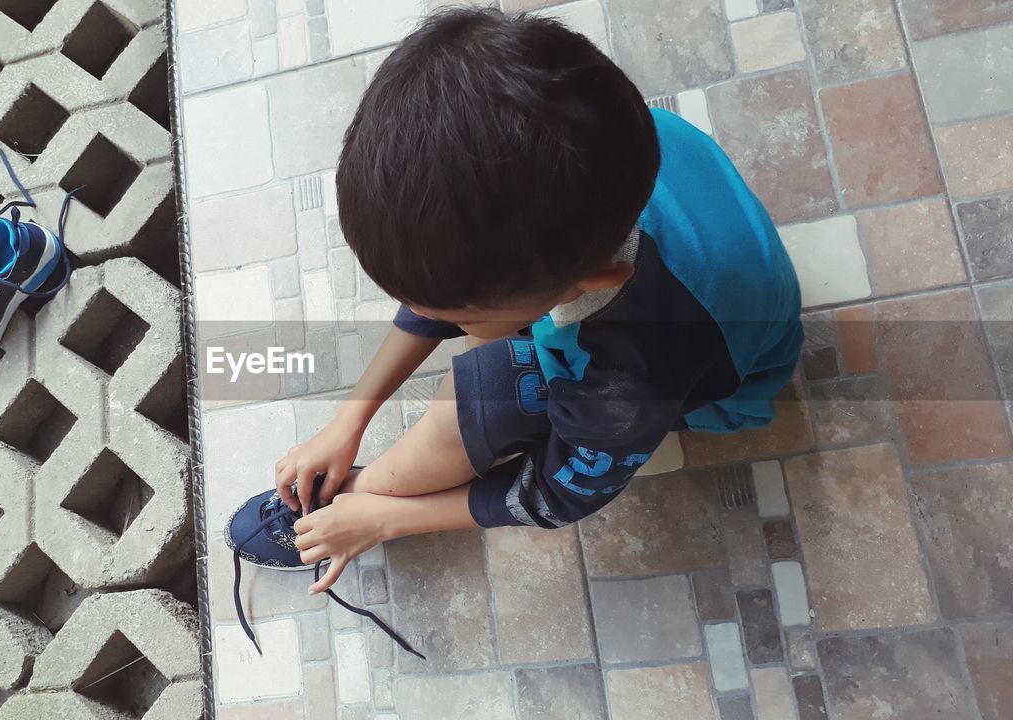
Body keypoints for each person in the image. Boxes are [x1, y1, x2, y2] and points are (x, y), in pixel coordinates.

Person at [225, 6, 802, 637]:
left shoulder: (631, 380)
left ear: (589, 283)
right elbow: (442, 277)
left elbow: (561, 495)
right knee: (485, 347)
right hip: (691, 266)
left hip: (708, 381)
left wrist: (388, 521)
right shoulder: (601, 139)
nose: (431, 318)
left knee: (489, 391)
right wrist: (350, 416)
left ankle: (366, 497)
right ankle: (358, 488)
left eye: (451, 313)